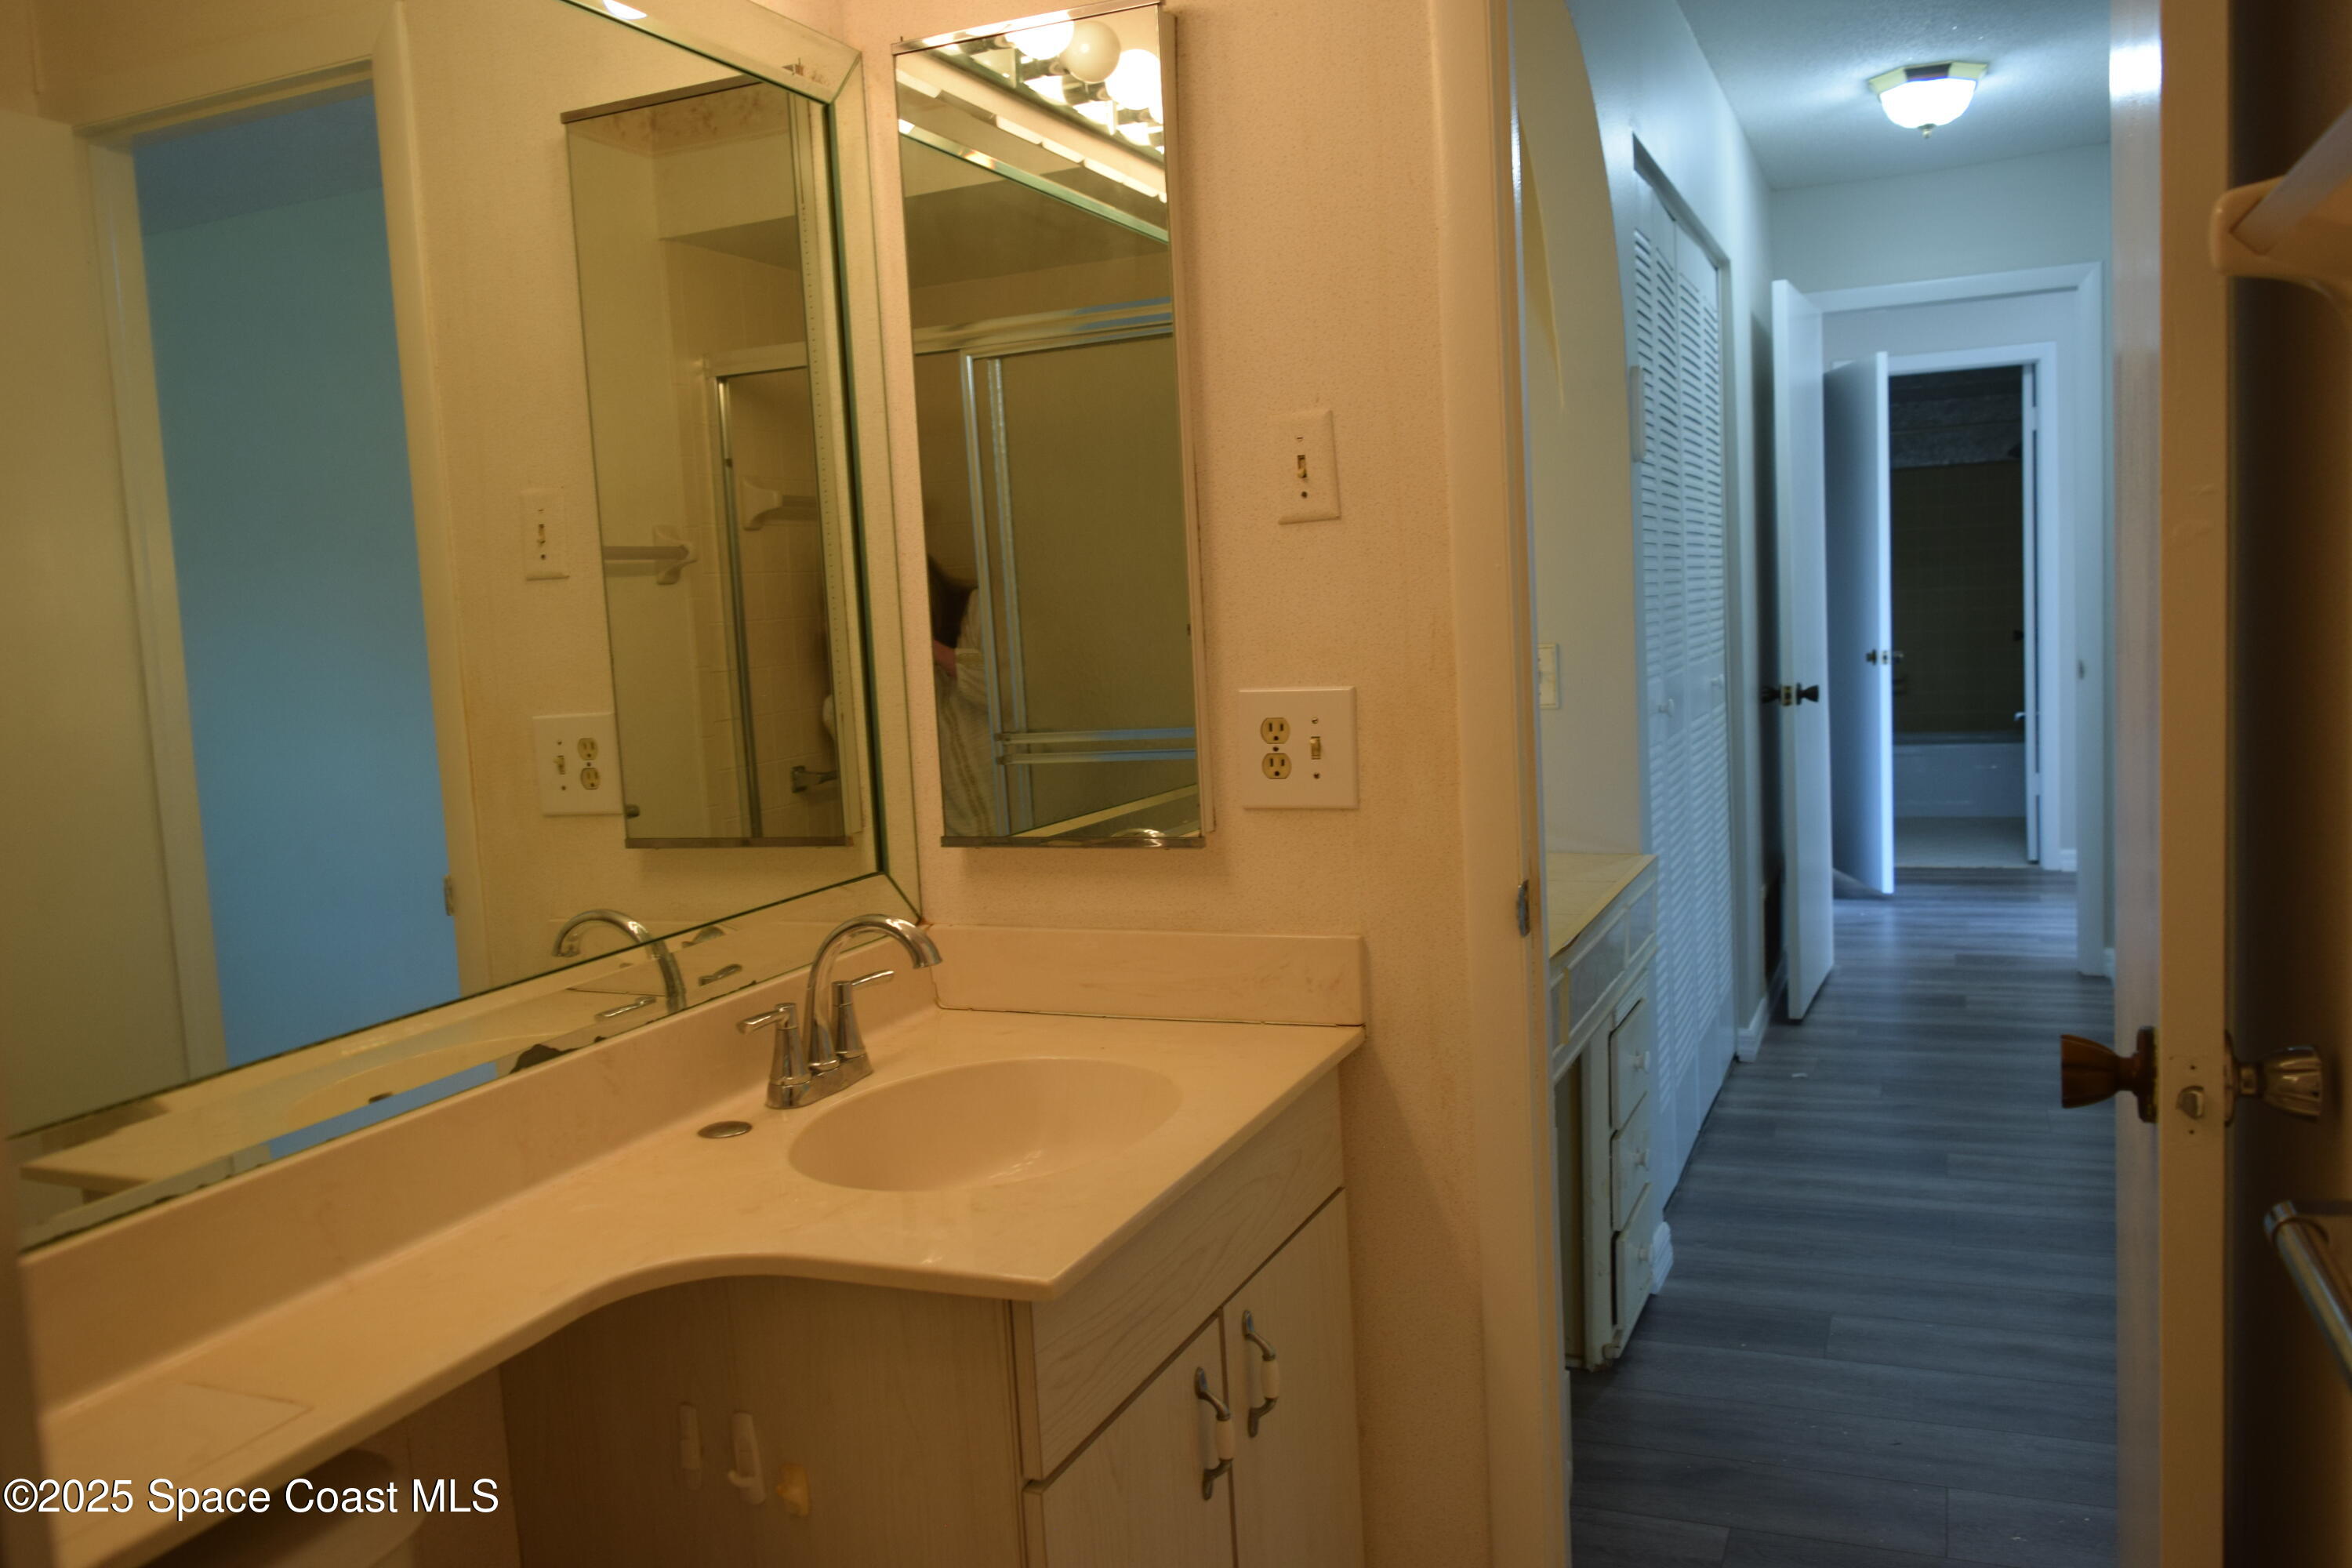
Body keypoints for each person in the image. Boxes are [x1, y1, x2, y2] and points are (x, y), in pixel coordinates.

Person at [928, 559, 993, 837]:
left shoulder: (980, 609)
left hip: (1023, 821)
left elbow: (1000, 683)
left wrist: (938, 653)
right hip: (959, 838)